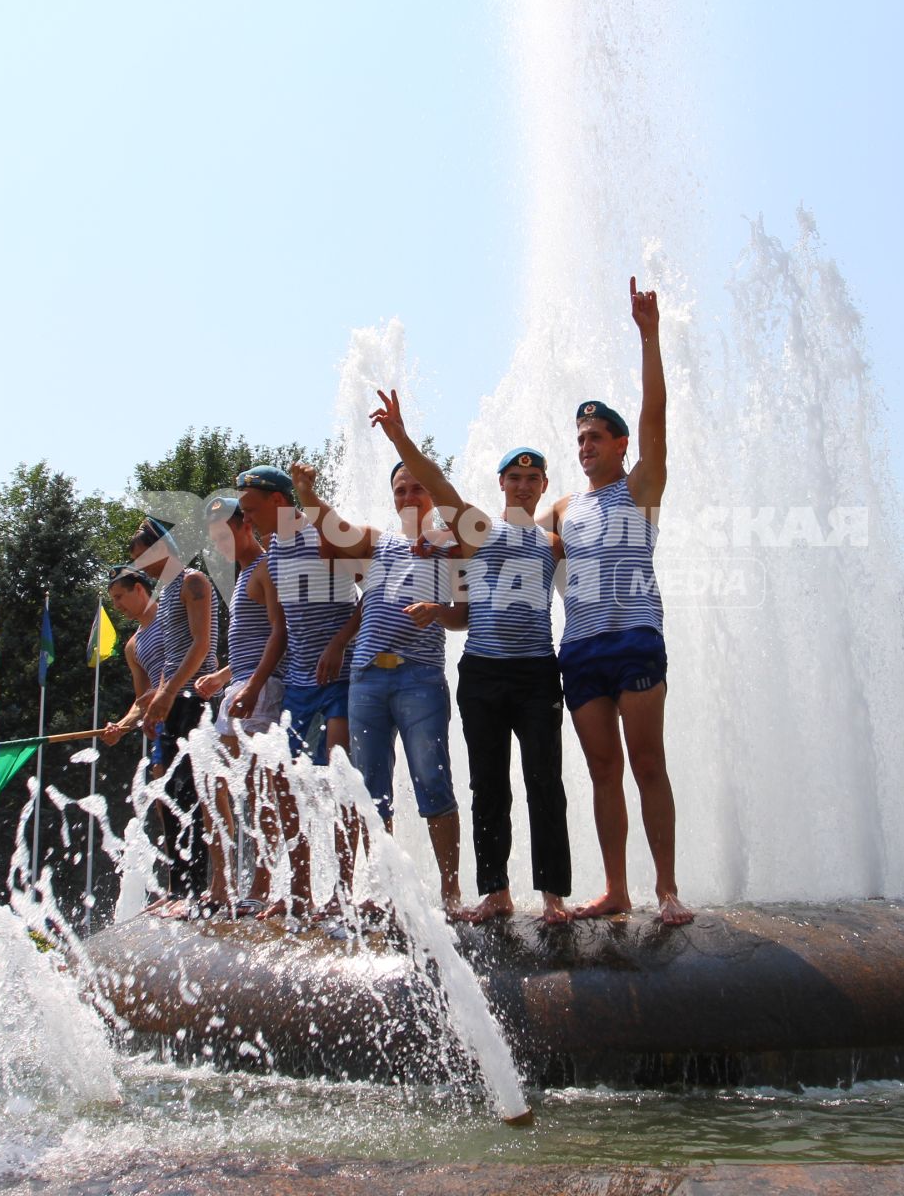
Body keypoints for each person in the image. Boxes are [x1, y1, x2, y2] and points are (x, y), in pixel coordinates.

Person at [371, 390, 572, 924]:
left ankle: (554, 894)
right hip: (483, 672)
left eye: (534, 479)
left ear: (543, 486)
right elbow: (435, 483)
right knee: (488, 780)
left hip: (536, 672)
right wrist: (399, 438)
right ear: (502, 484)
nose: (524, 486)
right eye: (515, 478)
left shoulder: (554, 543)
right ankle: (496, 890)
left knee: (544, 780)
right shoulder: (478, 528)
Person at [554, 277, 691, 925]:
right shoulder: (564, 508)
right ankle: (617, 888)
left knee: (647, 765)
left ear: (619, 446)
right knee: (602, 772)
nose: (585, 448)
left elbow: (656, 420)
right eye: (579, 440)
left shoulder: (639, 490)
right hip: (579, 649)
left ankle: (667, 889)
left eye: (596, 438)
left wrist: (649, 335)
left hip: (634, 637)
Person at [292, 454, 466, 911]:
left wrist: (438, 612)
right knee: (370, 788)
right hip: (366, 679)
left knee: (432, 780)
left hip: (419, 677)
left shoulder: (452, 547)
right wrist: (307, 495)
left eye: (417, 489)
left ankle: (451, 892)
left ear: (431, 495)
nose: (409, 496)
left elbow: (464, 615)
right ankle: (383, 891)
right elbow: (336, 528)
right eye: (401, 490)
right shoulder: (379, 543)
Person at [228, 465, 361, 917]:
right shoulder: (273, 555)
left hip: (339, 681)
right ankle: (299, 890)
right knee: (290, 788)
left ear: (279, 503)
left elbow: (372, 596)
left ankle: (342, 893)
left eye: (250, 511)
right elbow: (279, 629)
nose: (246, 522)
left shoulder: (319, 537)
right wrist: (254, 683)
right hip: (299, 688)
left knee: (340, 780)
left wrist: (339, 643)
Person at [102, 527, 218, 907]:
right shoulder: (167, 595)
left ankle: (201, 887)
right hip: (173, 699)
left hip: (195, 697)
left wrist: (168, 692)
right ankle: (179, 886)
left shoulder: (193, 581)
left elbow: (201, 647)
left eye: (143, 556)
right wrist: (152, 702)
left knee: (194, 791)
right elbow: (169, 661)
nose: (141, 565)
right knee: (168, 792)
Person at [192, 495, 284, 909]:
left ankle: (261, 886)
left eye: (223, 533)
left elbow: (280, 635)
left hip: (261, 690)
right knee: (211, 783)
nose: (218, 544)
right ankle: (223, 882)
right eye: (213, 538)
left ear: (246, 524)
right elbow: (252, 643)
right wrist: (223, 675)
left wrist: (252, 685)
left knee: (258, 788)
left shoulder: (266, 567)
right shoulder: (245, 573)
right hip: (240, 687)